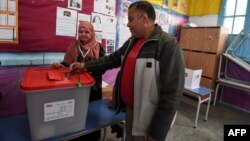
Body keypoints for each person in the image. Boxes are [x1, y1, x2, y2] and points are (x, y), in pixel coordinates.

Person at [70, 1, 185, 141]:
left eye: (131, 19)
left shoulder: (167, 45)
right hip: (130, 110)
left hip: (149, 117)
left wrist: (157, 133)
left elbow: (172, 95)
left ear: (144, 18)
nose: (128, 24)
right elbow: (112, 59)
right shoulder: (132, 41)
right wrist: (84, 66)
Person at [51, 21, 105, 141]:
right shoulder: (73, 46)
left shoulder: (99, 47)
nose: (83, 34)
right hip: (75, 88)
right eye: (81, 31)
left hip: (93, 88)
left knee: (91, 115)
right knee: (75, 114)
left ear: (92, 33)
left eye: (86, 32)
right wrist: (59, 65)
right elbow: (66, 65)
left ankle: (93, 138)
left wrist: (86, 71)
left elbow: (102, 67)